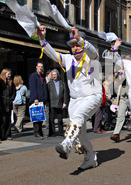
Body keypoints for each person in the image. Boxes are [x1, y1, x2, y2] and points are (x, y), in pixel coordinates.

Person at [37, 26, 102, 170]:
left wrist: (80, 39)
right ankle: (90, 158)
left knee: (77, 118)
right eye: (72, 45)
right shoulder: (68, 59)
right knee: (81, 135)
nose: (75, 48)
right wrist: (42, 39)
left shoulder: (92, 58)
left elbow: (92, 51)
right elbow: (53, 54)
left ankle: (66, 143)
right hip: (75, 100)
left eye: (77, 44)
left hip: (92, 96)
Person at [47, 69, 69, 137]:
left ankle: (60, 132)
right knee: (52, 119)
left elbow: (65, 93)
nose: (54, 76)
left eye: (55, 74)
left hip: (60, 103)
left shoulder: (62, 83)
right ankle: (53, 132)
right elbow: (47, 93)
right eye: (53, 74)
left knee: (60, 119)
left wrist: (65, 102)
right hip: (52, 103)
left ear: (58, 75)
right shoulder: (49, 84)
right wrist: (47, 102)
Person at [29, 61, 47, 139]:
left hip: (42, 99)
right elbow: (33, 88)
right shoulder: (33, 76)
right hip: (37, 99)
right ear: (36, 67)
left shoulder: (42, 76)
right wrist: (35, 98)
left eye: (41, 66)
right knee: (37, 117)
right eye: (39, 66)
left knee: (41, 117)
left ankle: (40, 131)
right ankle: (37, 132)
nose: (40, 68)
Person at [0, 68, 16, 140]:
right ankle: (1, 134)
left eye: (10, 74)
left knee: (8, 119)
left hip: (8, 102)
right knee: (2, 119)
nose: (9, 75)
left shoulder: (11, 83)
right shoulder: (0, 82)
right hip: (3, 102)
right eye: (8, 74)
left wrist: (11, 98)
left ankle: (8, 134)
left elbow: (14, 92)